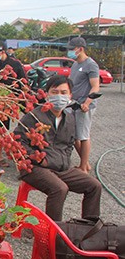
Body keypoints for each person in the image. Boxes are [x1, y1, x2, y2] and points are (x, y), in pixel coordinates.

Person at [13, 74, 101, 221]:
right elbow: (18, 143)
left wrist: (64, 162)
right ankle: (53, 233)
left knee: (94, 186)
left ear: (70, 96)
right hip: (34, 168)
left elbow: (69, 145)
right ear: (47, 94)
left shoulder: (70, 119)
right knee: (59, 189)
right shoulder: (34, 117)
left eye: (63, 93)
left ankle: (88, 229)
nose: (59, 96)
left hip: (61, 168)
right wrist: (39, 160)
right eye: (55, 92)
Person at [66, 36, 100, 173]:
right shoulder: (75, 64)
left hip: (84, 105)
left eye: (71, 49)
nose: (69, 52)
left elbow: (95, 86)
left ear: (80, 49)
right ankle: (85, 163)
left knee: (83, 135)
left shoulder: (91, 65)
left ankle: (83, 168)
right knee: (73, 135)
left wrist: (87, 103)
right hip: (74, 104)